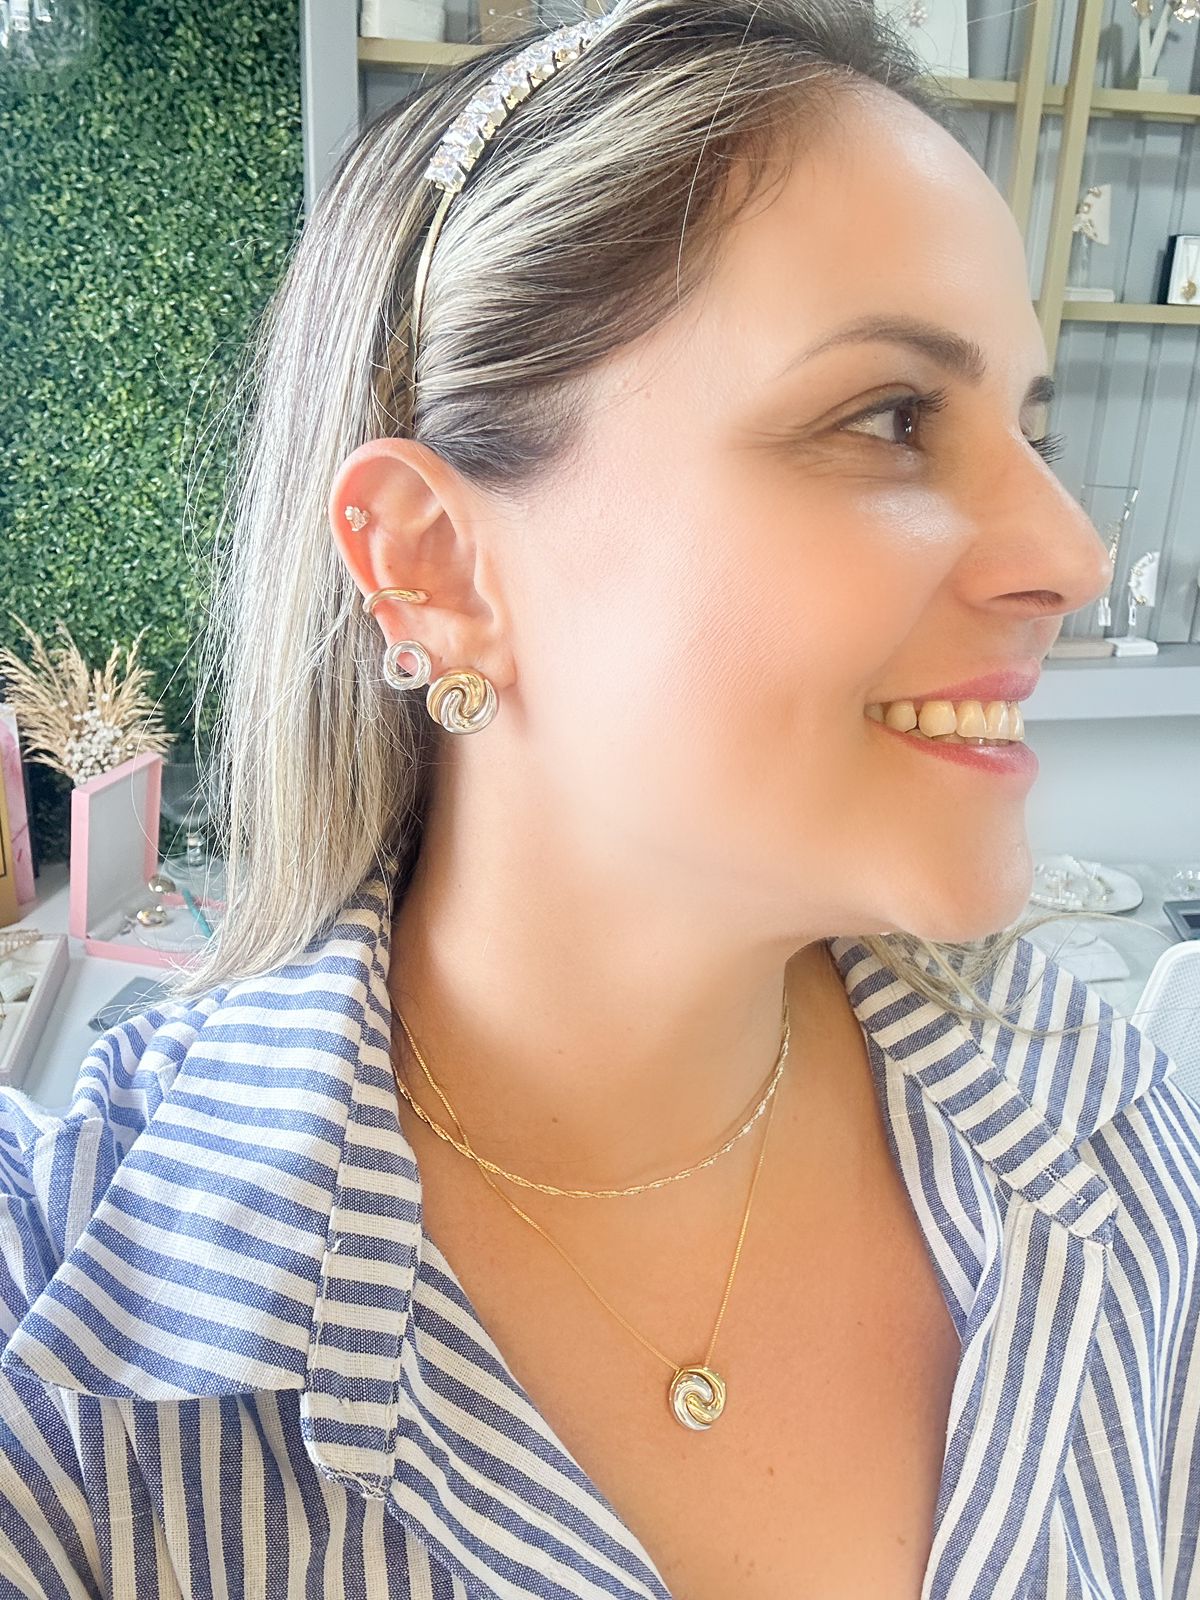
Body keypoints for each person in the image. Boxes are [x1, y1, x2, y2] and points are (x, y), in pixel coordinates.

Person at [0, 0, 1197, 1595]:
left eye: (1031, 434)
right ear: (436, 568)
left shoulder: (1109, 1141)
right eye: (892, 418)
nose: (1071, 558)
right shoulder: (74, 1349)